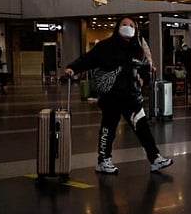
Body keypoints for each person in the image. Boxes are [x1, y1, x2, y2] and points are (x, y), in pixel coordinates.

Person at [64, 16, 173, 174]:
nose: (128, 27)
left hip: (131, 96)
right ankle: (103, 161)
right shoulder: (105, 46)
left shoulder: (138, 48)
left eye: (131, 25)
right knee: (108, 128)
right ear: (117, 27)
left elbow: (145, 67)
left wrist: (144, 79)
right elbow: (88, 59)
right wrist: (73, 68)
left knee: (142, 128)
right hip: (111, 97)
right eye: (124, 24)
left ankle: (155, 158)